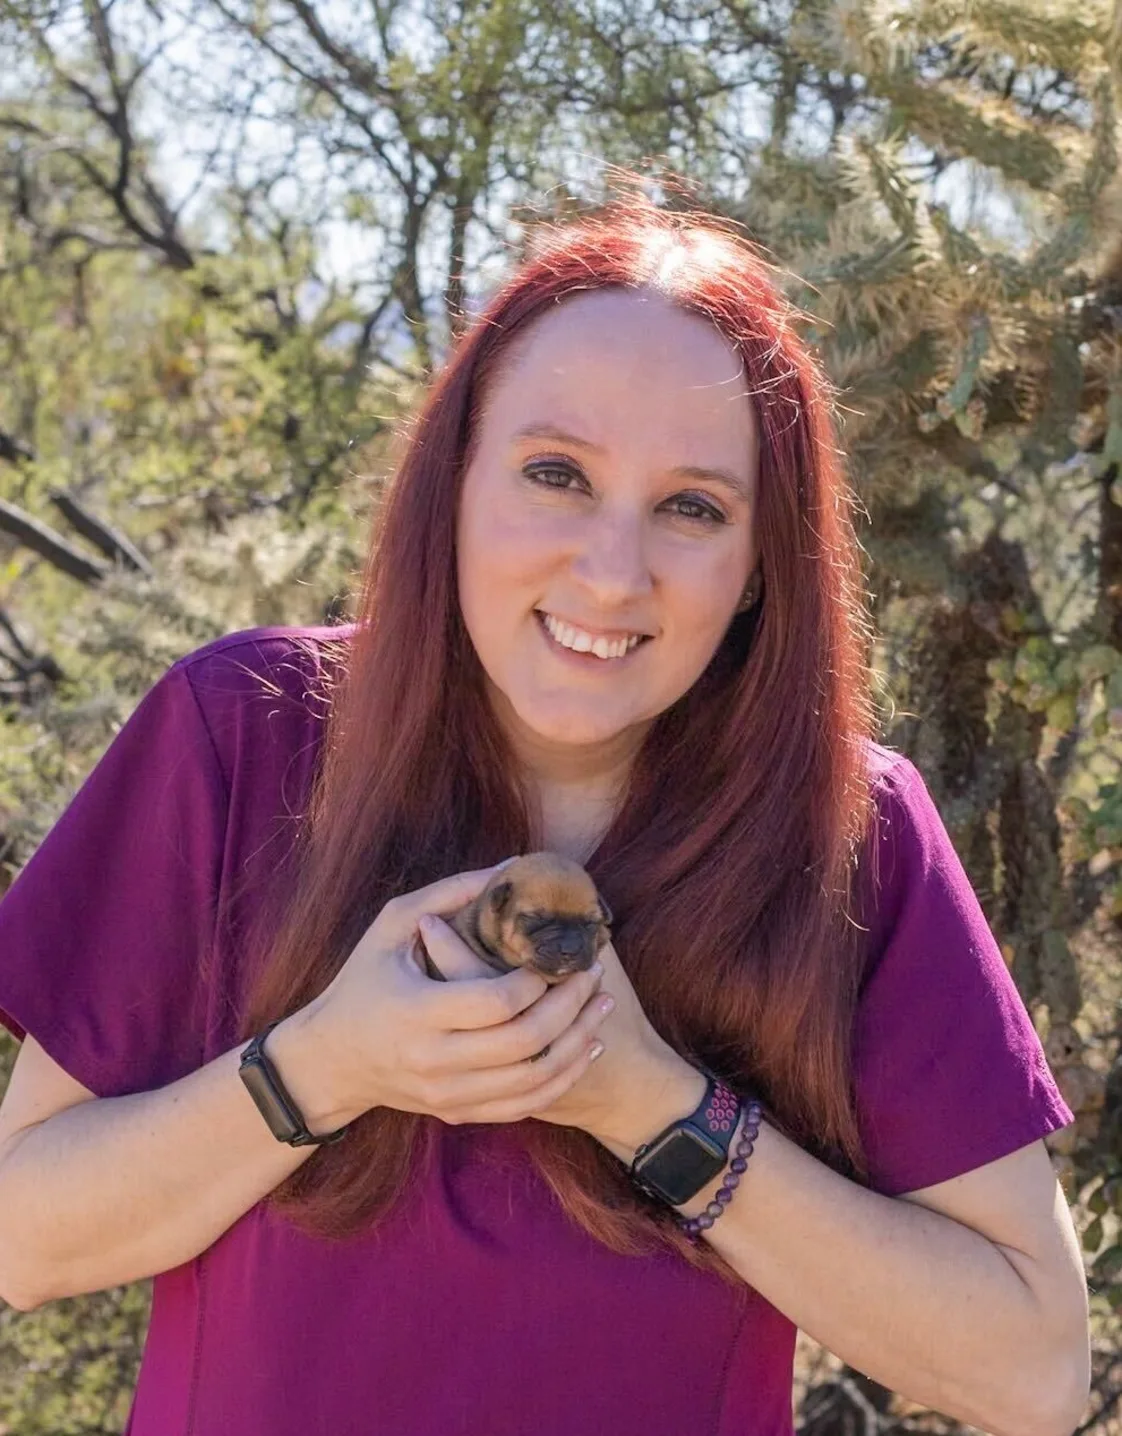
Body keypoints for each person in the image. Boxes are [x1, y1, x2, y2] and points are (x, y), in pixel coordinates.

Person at [0, 199, 1090, 1436]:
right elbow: (21, 1238)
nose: (612, 571)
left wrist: (651, 1105)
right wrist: (330, 1063)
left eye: (694, 507)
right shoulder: (242, 733)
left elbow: (1034, 1368)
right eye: (556, 474)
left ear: (760, 570)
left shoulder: (852, 836)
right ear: (452, 482)